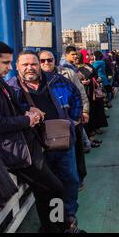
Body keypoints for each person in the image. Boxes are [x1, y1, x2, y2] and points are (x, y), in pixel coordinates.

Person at [0, 41, 64, 233]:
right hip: (14, 153)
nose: (9, 68)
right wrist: (27, 120)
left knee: (46, 190)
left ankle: (52, 228)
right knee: (56, 189)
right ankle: (58, 228)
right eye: (5, 63)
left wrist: (29, 110)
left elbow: (9, 107)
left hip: (24, 147)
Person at [7, 50, 85, 233]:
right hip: (36, 147)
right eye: (25, 64)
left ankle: (68, 217)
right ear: (17, 66)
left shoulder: (56, 80)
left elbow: (76, 97)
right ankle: (55, 223)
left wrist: (72, 121)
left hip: (63, 142)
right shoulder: (12, 89)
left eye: (33, 64)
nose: (30, 68)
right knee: (48, 188)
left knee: (69, 180)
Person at [39, 49, 89, 189]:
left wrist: (84, 111)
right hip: (50, 124)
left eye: (49, 60)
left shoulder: (67, 73)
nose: (46, 63)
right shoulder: (37, 77)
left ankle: (79, 178)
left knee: (76, 149)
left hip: (71, 119)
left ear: (55, 60)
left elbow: (80, 93)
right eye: (42, 60)